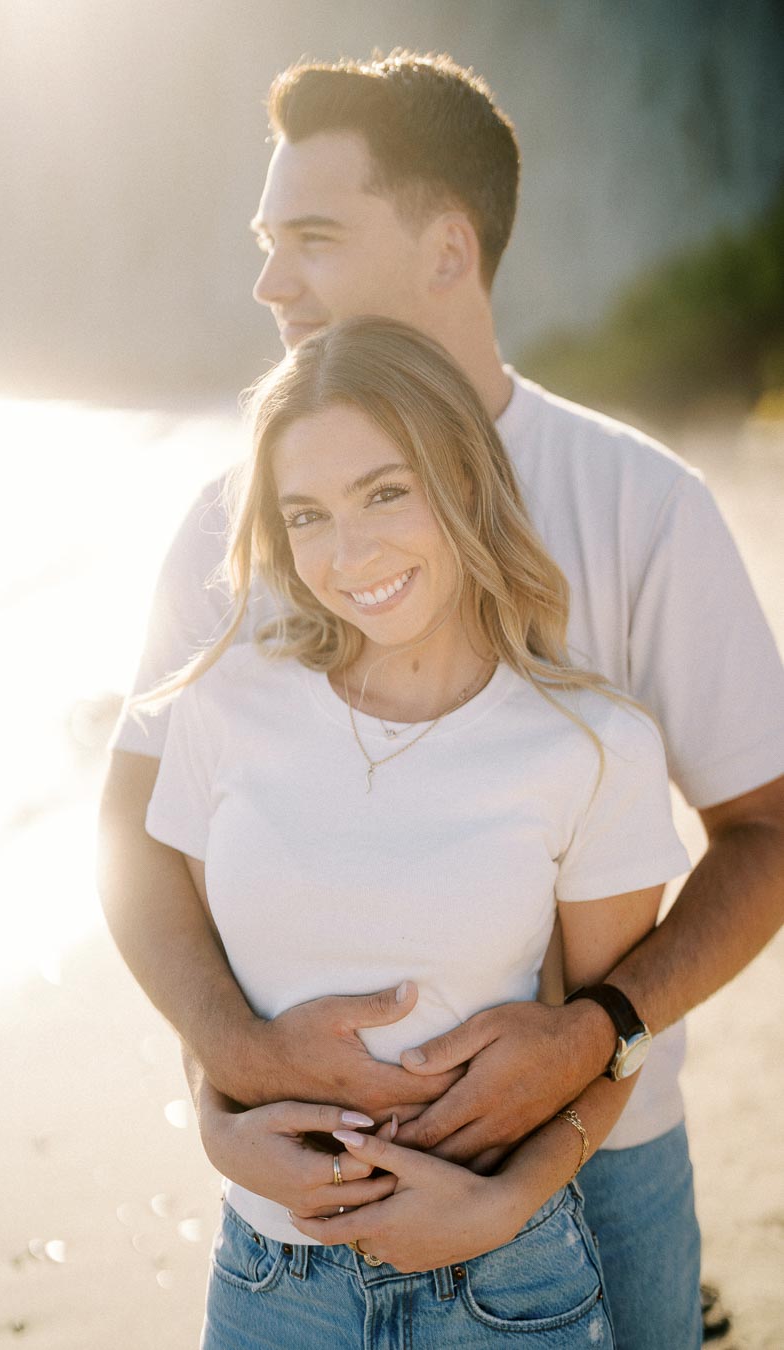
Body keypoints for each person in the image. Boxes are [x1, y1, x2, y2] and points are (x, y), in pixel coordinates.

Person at [97, 52, 784, 1350]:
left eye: (311, 236)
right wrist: (226, 1064)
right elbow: (138, 833)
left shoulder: (643, 506)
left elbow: (766, 826)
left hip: (610, 1158)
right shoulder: (234, 521)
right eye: (264, 241)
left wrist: (601, 1029)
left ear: (447, 249)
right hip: (298, 1202)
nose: (269, 282)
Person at [142, 315, 691, 1346]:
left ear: (466, 480)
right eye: (305, 516)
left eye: (385, 493)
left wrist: (499, 1203)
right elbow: (211, 989)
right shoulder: (227, 703)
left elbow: (605, 1045)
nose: (349, 556)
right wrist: (219, 1131)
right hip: (269, 1283)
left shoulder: (593, 744)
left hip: (504, 1283)